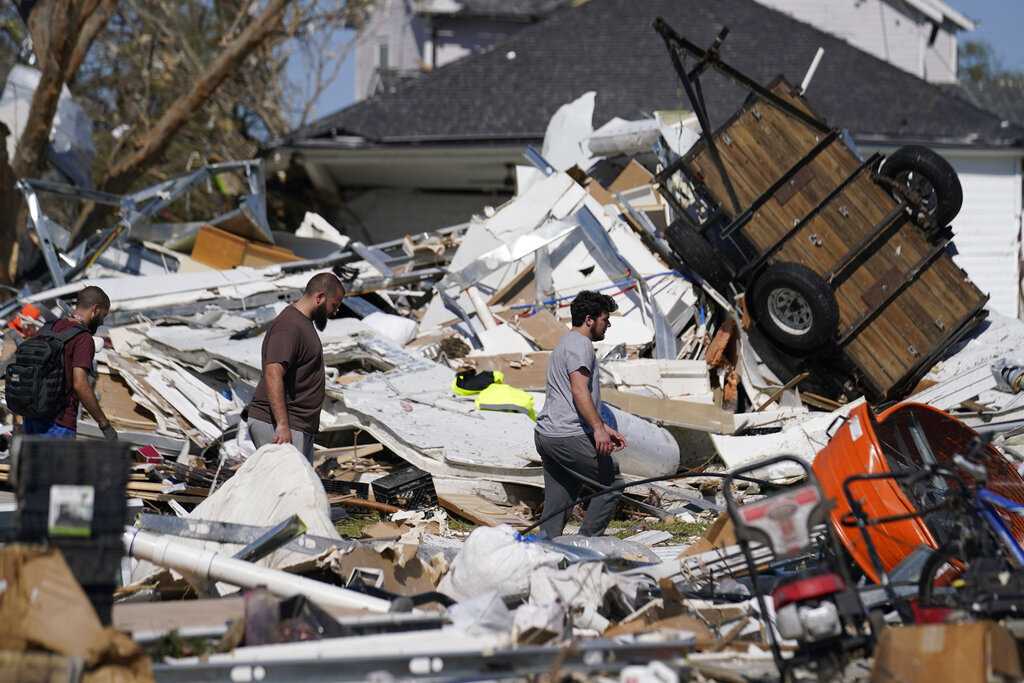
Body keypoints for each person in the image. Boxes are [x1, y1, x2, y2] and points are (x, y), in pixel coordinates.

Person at [534, 290, 627, 538]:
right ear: (589, 319)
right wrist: (598, 428)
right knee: (612, 483)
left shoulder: (566, 342)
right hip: (567, 434)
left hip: (548, 434)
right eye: (605, 319)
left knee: (560, 499)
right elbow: (578, 390)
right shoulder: (580, 345)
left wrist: (602, 427)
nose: (607, 324)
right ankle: (586, 546)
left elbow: (567, 395)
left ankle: (544, 551)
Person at [245, 272, 345, 461]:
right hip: (280, 425)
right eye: (334, 305)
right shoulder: (289, 326)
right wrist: (282, 425)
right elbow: (273, 372)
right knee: (286, 488)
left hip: (296, 425)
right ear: (320, 298)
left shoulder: (302, 324)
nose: (335, 311)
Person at [23, 286, 117, 440]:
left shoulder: (49, 327)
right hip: (59, 425)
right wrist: (104, 424)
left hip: (32, 418)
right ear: (95, 310)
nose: (101, 322)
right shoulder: (83, 338)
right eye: (103, 316)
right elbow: (80, 384)